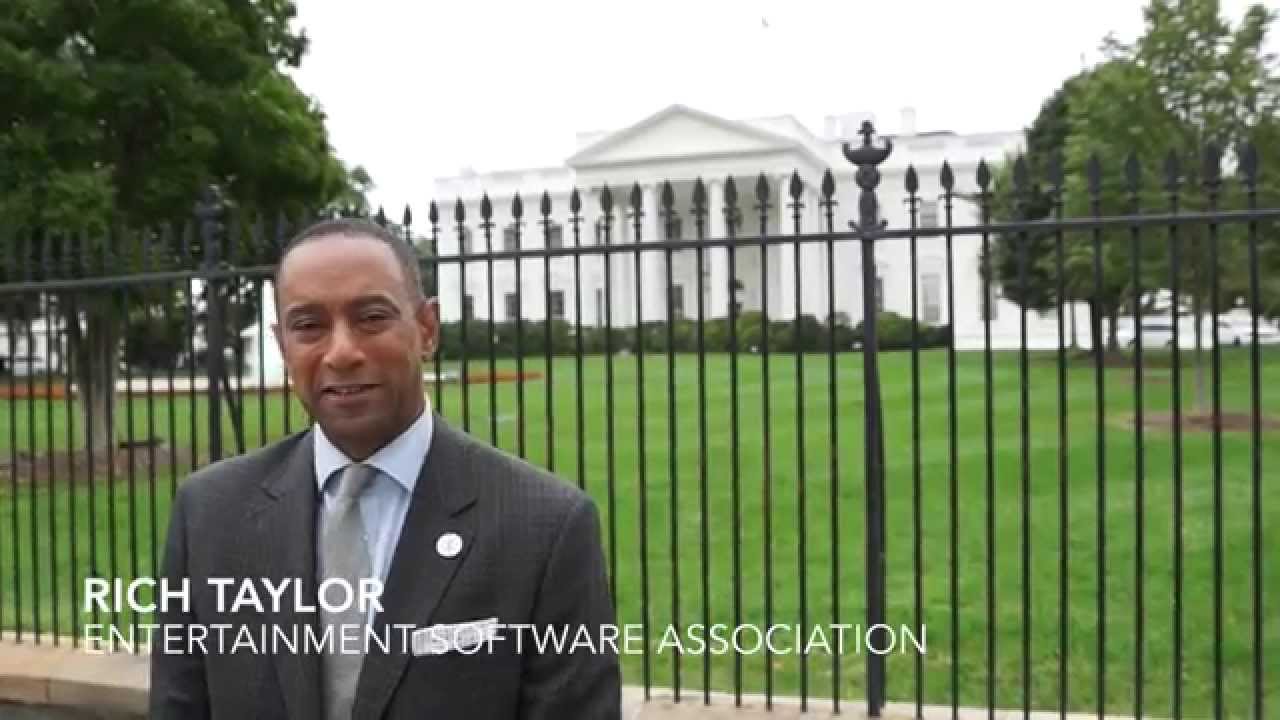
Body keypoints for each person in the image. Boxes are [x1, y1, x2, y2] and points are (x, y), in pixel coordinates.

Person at [149, 218, 620, 719]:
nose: (342, 352)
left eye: (371, 317)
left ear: (427, 329)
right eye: (308, 326)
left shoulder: (544, 527)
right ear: (282, 344)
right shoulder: (209, 514)